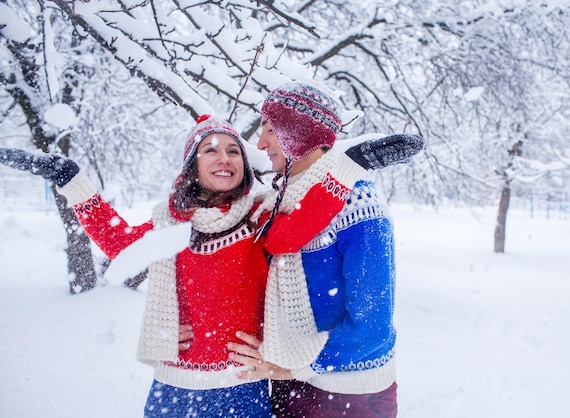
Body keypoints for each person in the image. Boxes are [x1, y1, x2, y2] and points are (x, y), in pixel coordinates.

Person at [0, 109, 421, 417]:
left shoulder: (263, 216)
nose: (224, 157)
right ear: (192, 166)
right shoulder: (171, 224)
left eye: (234, 150)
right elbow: (118, 241)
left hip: (243, 390)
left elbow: (303, 222)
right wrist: (71, 179)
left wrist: (347, 166)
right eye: (210, 150)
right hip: (174, 389)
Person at [227, 81, 423, 417]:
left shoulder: (358, 207)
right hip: (293, 385)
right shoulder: (284, 203)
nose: (261, 143)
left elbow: (371, 327)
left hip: (348, 395)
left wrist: (292, 369)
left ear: (298, 133)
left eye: (271, 130)